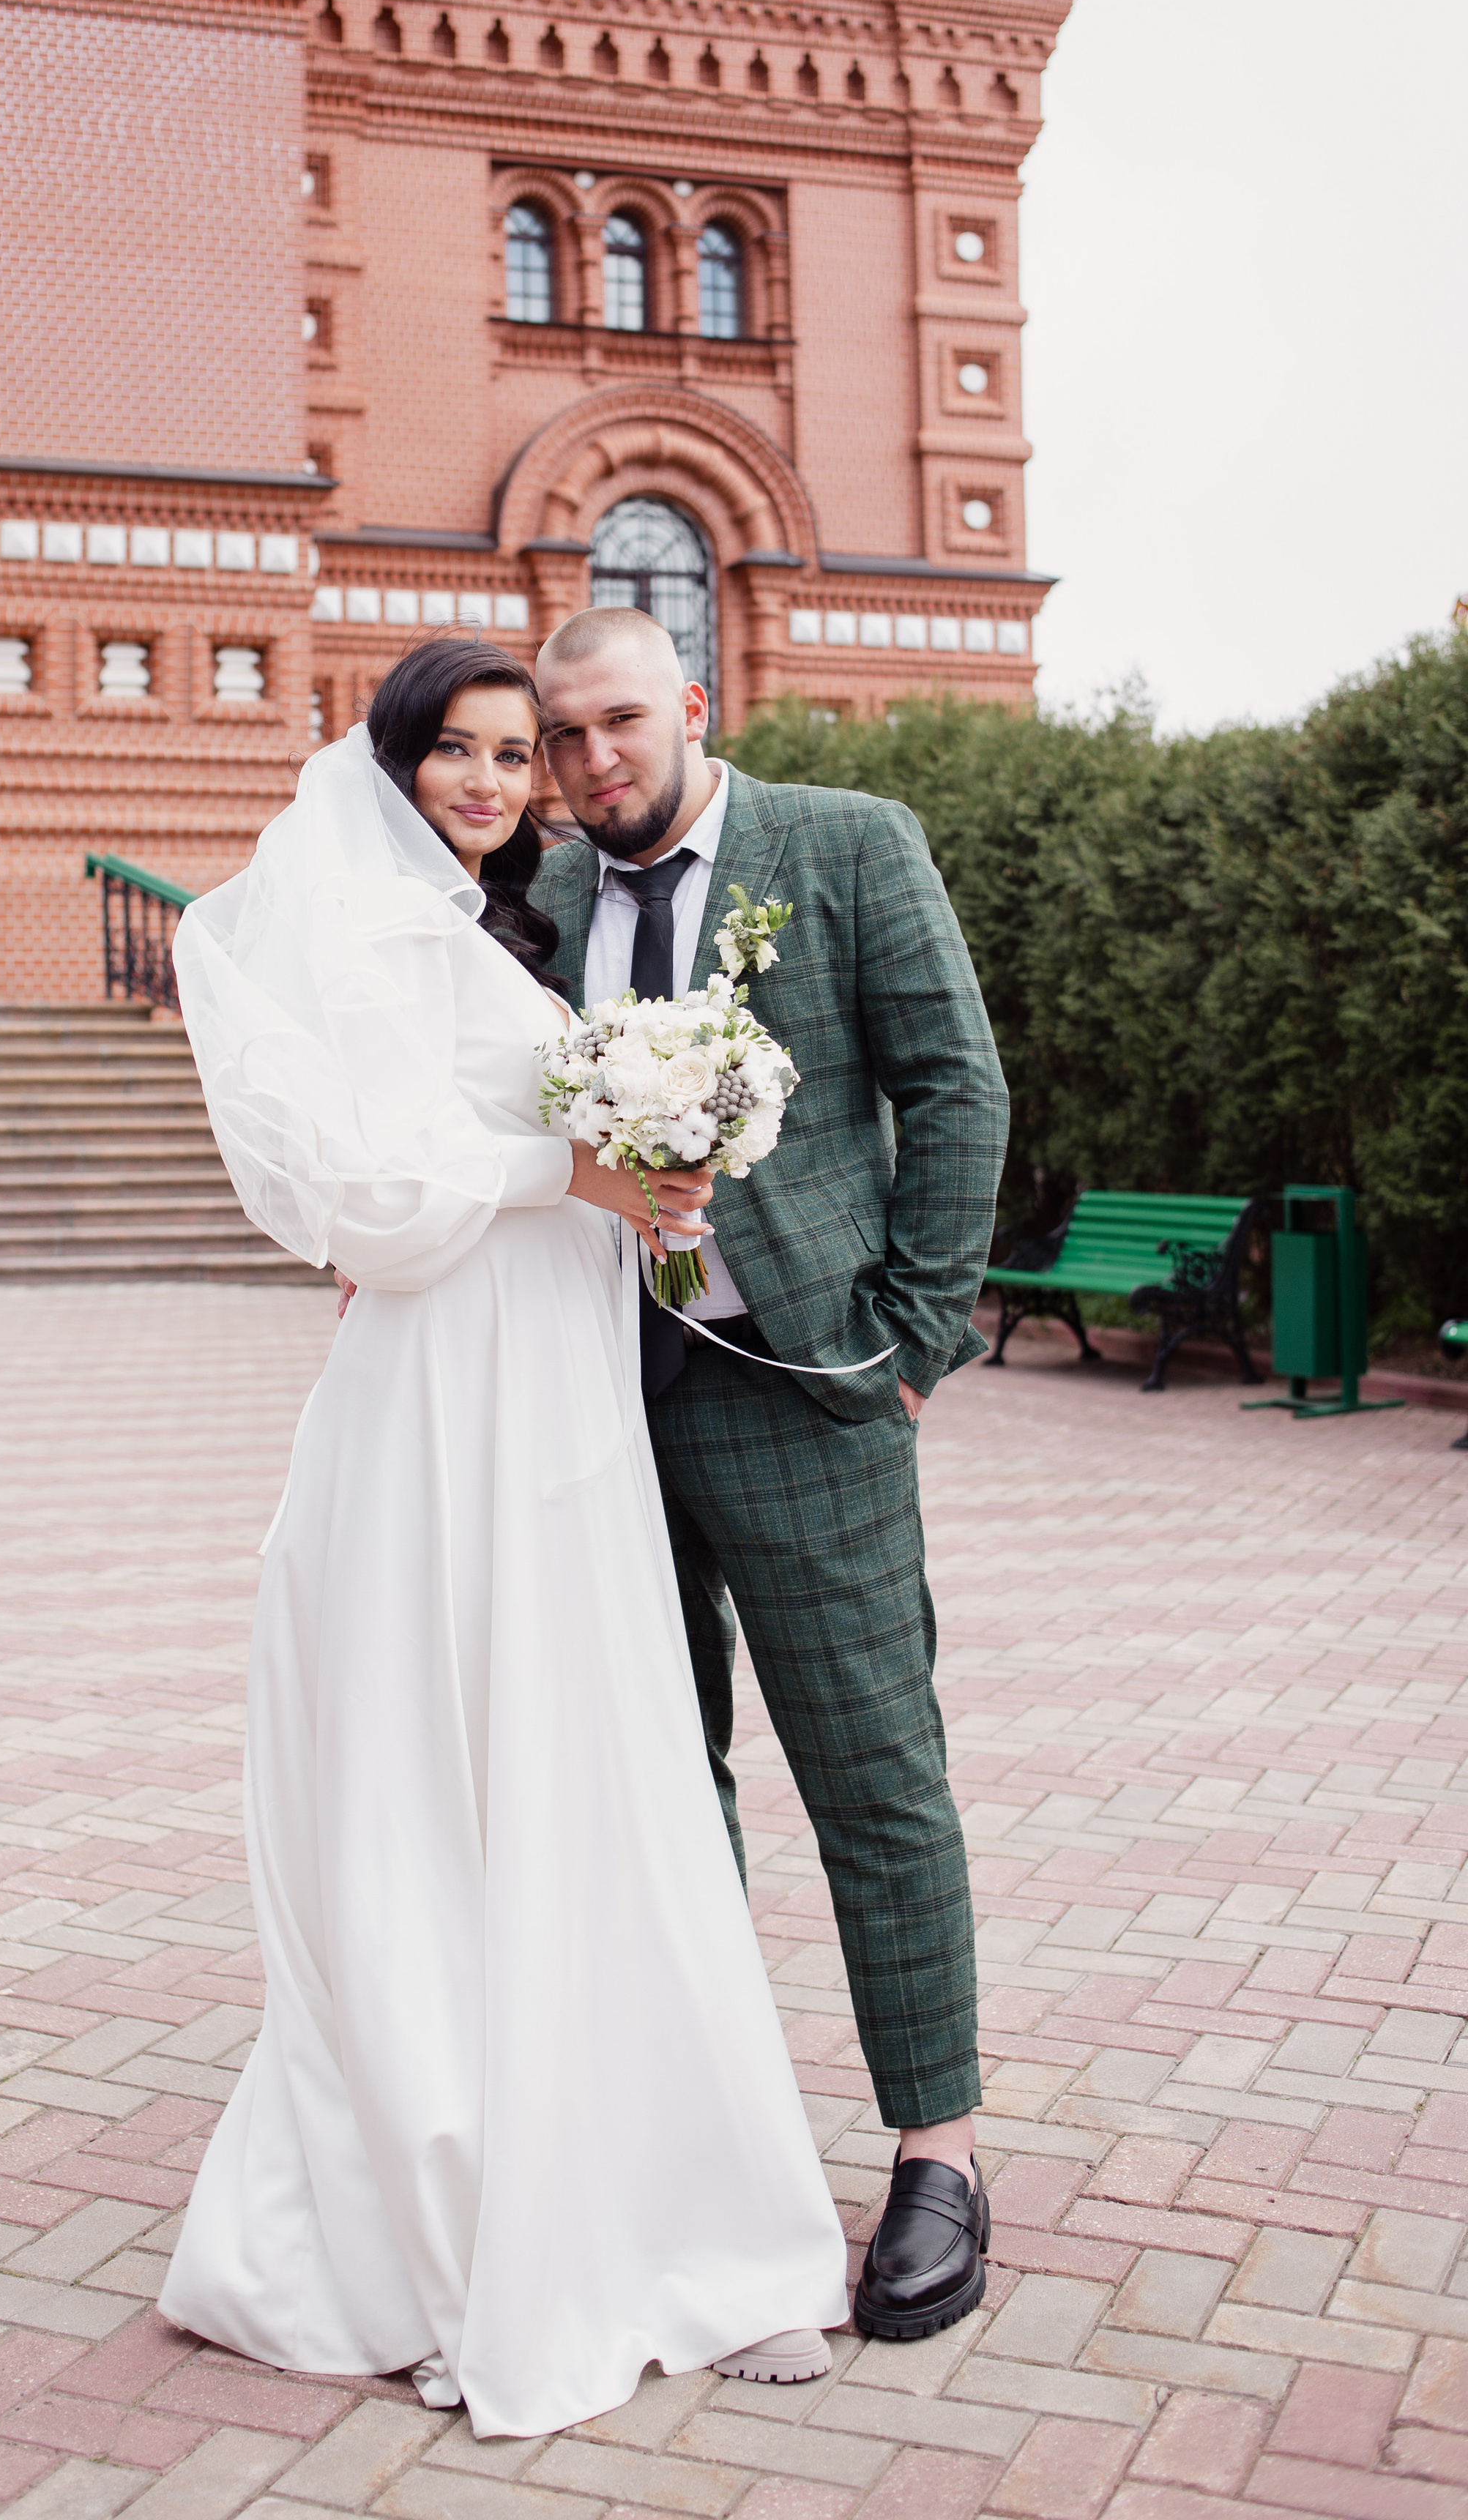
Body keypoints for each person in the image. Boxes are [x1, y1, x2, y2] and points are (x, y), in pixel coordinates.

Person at [161, 635, 850, 2436]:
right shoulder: (369, 938)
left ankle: (675, 2213)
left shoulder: (489, 929)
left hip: (555, 1402)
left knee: (590, 1774)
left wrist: (649, 1173)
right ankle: (451, 2241)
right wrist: (574, 1170)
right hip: (445, 1410)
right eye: (453, 752)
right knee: (449, 1789)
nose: (489, 782)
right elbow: (366, 1202)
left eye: (508, 753)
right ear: (392, 765)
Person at [531, 608, 1010, 2341]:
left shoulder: (844, 844)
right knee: (662, 1783)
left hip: (805, 1392)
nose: (591, 761)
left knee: (873, 1777)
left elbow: (953, 1088)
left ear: (690, 705)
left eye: (618, 722)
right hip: (593, 1400)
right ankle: (710, 2138)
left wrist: (911, 1343)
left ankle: (937, 2153)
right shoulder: (542, 901)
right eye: (563, 735)